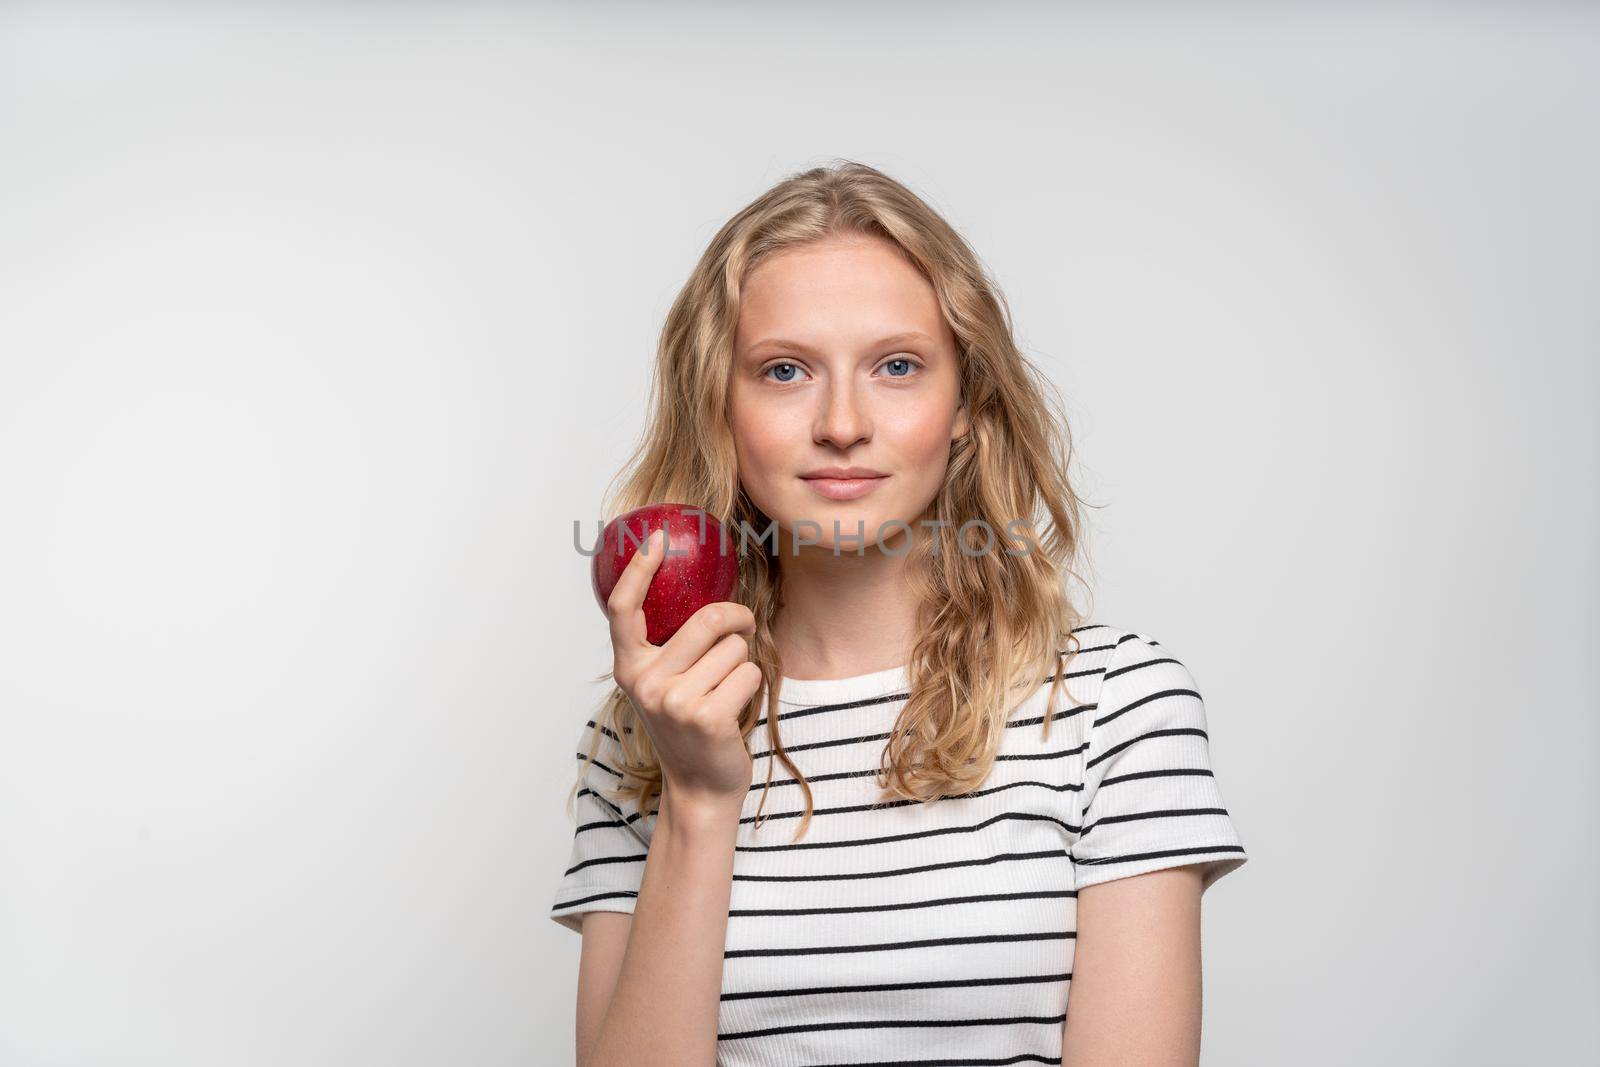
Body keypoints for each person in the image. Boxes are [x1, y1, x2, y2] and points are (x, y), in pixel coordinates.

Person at [550, 160, 1249, 1066]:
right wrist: (698, 796)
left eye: (897, 366)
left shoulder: (1118, 706)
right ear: (721, 408)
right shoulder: (644, 733)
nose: (843, 422)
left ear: (965, 405)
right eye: (786, 369)